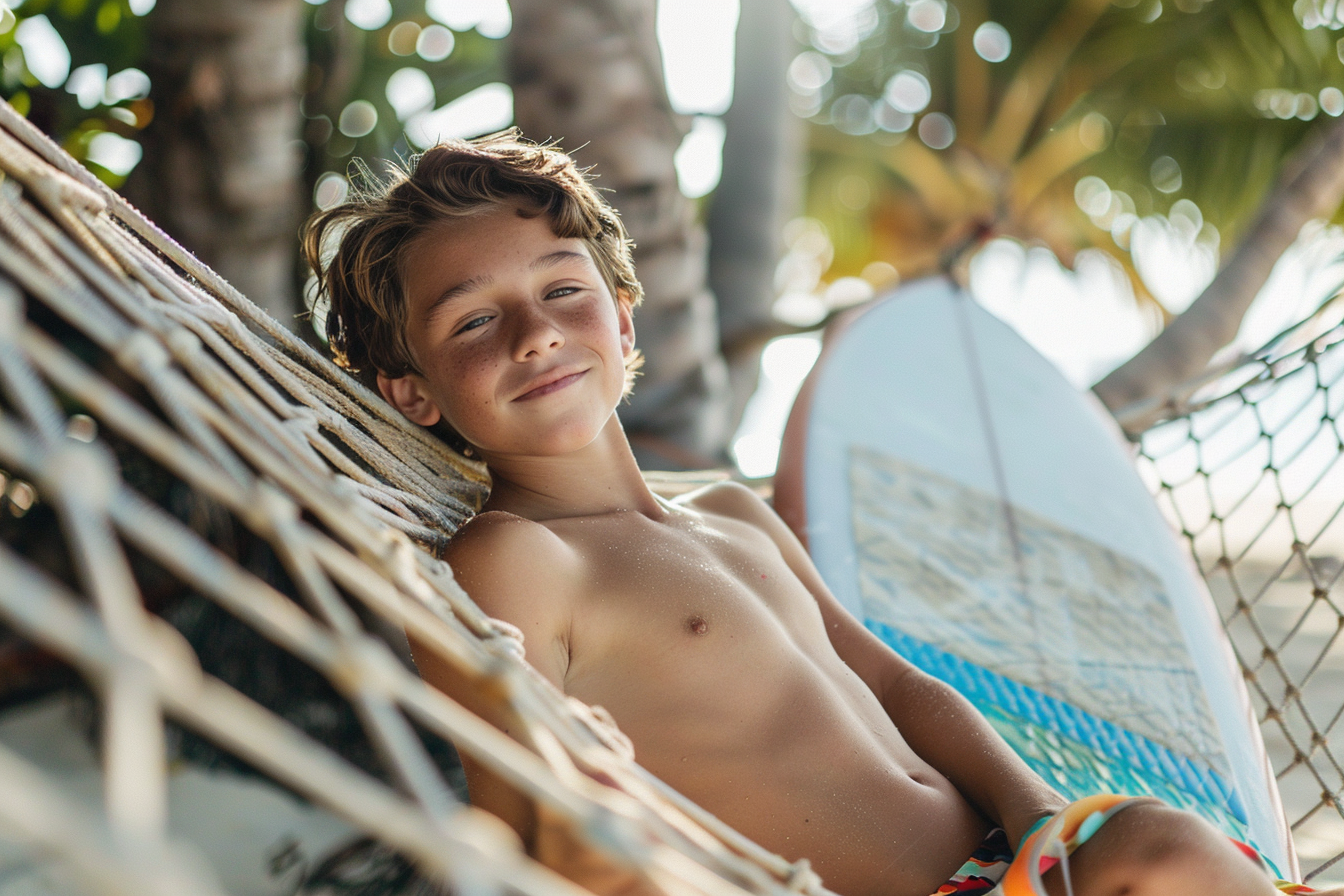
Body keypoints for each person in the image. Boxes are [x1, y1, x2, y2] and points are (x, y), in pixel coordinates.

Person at [301, 132, 1329, 896]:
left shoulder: (734, 514)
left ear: (623, 318)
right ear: (412, 391)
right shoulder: (514, 560)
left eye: (562, 290)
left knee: (1164, 844)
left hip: (1013, 859)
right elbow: (522, 823)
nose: (534, 334)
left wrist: (1038, 814)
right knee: (1165, 850)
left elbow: (901, 687)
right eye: (473, 321)